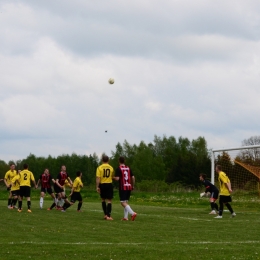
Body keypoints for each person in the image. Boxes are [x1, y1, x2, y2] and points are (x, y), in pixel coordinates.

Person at [114, 156, 137, 221]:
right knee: (126, 202)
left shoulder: (118, 169)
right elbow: (133, 177)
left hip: (123, 187)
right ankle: (125, 217)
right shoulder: (128, 168)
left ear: (119, 161)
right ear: (125, 161)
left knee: (122, 202)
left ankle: (132, 213)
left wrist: (112, 177)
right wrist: (132, 185)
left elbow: (117, 178)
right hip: (128, 186)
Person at [96, 155, 114, 220]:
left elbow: (98, 178)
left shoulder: (99, 168)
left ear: (102, 160)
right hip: (109, 184)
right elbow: (112, 176)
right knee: (109, 200)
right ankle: (108, 216)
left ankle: (105, 215)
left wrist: (97, 186)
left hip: (102, 184)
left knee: (103, 199)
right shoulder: (111, 168)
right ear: (108, 160)